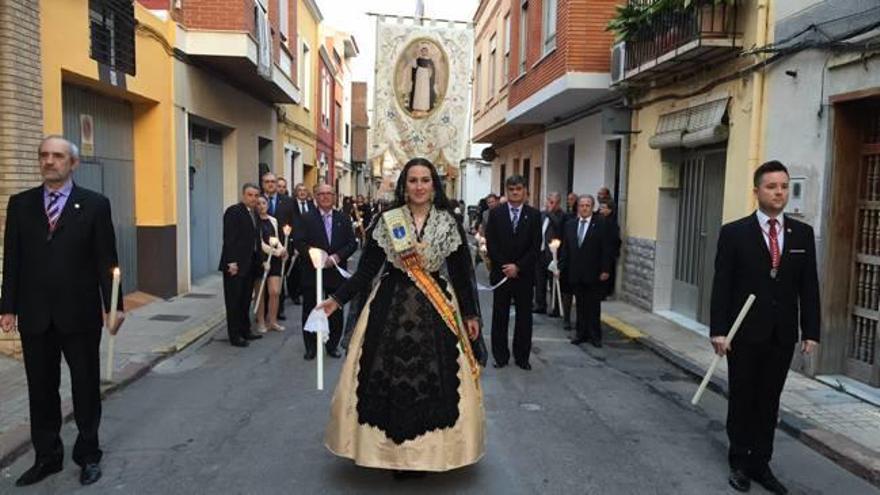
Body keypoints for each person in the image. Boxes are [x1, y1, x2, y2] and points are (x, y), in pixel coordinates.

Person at [317, 157, 484, 475]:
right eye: (413, 180)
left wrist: (472, 313)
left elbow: (462, 275)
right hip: (390, 304)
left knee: (437, 375)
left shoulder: (448, 221)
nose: (419, 186)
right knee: (386, 375)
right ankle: (394, 455)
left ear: (434, 186)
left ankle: (427, 455)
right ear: (404, 186)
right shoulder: (387, 220)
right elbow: (366, 270)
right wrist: (337, 300)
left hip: (437, 308)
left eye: (425, 180)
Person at [1, 135, 124, 487]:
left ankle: (88, 454)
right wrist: (7, 306)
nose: (49, 161)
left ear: (73, 163)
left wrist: (113, 307)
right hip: (35, 314)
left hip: (80, 314)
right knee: (41, 389)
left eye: (57, 156)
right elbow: (13, 259)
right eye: (44, 156)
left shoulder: (95, 204)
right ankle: (47, 456)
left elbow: (107, 260)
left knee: (85, 387)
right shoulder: (20, 204)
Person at [710, 160, 820, 494]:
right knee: (743, 397)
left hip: (781, 334)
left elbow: (808, 286)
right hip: (743, 334)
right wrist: (718, 330)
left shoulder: (801, 234)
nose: (779, 192)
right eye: (772, 186)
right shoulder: (734, 233)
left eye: (784, 186)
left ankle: (762, 463)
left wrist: (811, 330)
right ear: (757, 191)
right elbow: (722, 284)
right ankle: (740, 462)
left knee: (769, 400)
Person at [294, 184, 357, 360]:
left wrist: (337, 256)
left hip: (336, 272)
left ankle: (332, 345)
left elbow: (352, 244)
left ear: (334, 196)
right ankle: (311, 346)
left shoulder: (343, 218)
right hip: (312, 271)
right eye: (321, 194)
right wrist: (315, 256)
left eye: (329, 193)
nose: (325, 197)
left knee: (335, 309)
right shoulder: (305, 218)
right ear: (315, 196)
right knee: (310, 308)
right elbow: (298, 242)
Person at [485, 175, 541, 370]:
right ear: (506, 191)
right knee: (500, 316)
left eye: (518, 189)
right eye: (511, 189)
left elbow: (535, 247)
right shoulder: (496, 213)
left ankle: (522, 357)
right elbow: (491, 244)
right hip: (501, 274)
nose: (515, 193)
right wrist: (506, 266)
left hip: (523, 275)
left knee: (524, 317)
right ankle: (500, 356)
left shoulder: (534, 215)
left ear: (525, 191)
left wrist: (518, 267)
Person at [558, 195, 613, 347]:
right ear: (578, 207)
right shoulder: (570, 225)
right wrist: (560, 267)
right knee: (580, 305)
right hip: (575, 272)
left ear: (592, 207)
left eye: (587, 205)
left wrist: (605, 269)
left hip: (594, 272)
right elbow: (565, 249)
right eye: (581, 205)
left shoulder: (601, 224)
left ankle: (595, 336)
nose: (584, 208)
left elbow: (606, 249)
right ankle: (581, 333)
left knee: (593, 305)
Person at [220, 183, 264, 347]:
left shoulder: (254, 214)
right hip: (235, 265)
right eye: (250, 195)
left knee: (246, 299)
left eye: (255, 196)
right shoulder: (234, 212)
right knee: (234, 301)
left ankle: (245, 330)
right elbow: (229, 239)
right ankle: (235, 335)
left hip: (250, 264)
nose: (253, 198)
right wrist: (231, 262)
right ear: (243, 195)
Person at [253, 196, 288, 333]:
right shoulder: (255, 221)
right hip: (260, 259)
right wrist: (276, 252)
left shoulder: (273, 220)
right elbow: (260, 243)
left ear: (268, 205)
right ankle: (260, 321)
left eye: (263, 203)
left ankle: (272, 320)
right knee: (260, 292)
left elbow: (276, 239)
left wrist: (281, 249)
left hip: (274, 260)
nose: (261, 206)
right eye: (258, 204)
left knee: (275, 291)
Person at [262, 173, 295, 322]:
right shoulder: (259, 201)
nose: (270, 184)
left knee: (279, 280)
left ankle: (277, 311)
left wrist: (292, 246)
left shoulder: (288, 201)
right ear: (263, 184)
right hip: (262, 248)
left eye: (273, 182)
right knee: (262, 282)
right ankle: (263, 312)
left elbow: (295, 222)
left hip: (283, 247)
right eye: (267, 182)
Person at [534, 192, 565, 315]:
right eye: (549, 201)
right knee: (539, 280)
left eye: (552, 202)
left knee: (553, 281)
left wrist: (550, 212)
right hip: (540, 252)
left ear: (558, 203)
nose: (549, 204)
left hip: (553, 253)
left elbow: (558, 226)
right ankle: (540, 305)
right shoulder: (542, 215)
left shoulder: (561, 215)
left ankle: (556, 307)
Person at [289, 183, 314, 305]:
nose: (302, 192)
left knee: (306, 268)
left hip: (309, 243)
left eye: (305, 190)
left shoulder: (311, 205)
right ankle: (295, 294)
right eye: (300, 190)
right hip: (294, 241)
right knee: (295, 271)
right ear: (296, 193)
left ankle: (304, 291)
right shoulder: (291, 206)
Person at [598, 200, 621, 298]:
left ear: (610, 210)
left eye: (604, 208)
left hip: (608, 252)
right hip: (603, 251)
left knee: (606, 272)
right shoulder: (601, 220)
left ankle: (604, 293)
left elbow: (613, 239)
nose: (601, 210)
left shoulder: (610, 223)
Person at [409, 44, 437, 114]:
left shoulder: (430, 60)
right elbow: (414, 66)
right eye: (423, 51)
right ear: (421, 52)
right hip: (419, 75)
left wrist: (430, 72)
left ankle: (424, 107)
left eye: (425, 51)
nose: (424, 52)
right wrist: (413, 59)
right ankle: (417, 106)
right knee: (418, 90)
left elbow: (432, 69)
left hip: (425, 76)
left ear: (427, 52)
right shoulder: (418, 59)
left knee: (424, 90)